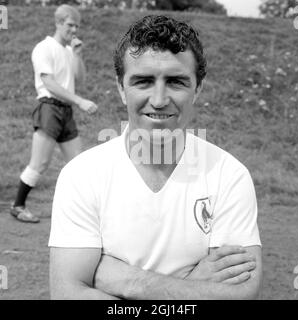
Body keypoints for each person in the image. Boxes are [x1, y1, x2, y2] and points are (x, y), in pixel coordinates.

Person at [49, 15, 262, 299]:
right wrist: (189, 285)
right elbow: (67, 294)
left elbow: (241, 294)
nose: (159, 99)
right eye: (143, 81)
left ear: (197, 88)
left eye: (175, 82)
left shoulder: (229, 176)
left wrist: (126, 281)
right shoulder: (82, 176)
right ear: (120, 88)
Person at [10, 5, 98, 223]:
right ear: (58, 23)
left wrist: (77, 55)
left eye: (77, 25)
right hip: (49, 108)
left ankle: (83, 211)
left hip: (66, 111)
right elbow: (48, 82)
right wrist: (79, 101)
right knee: (39, 163)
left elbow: (80, 79)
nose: (74, 29)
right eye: (70, 24)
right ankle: (18, 205)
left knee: (78, 164)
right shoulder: (44, 48)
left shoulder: (69, 51)